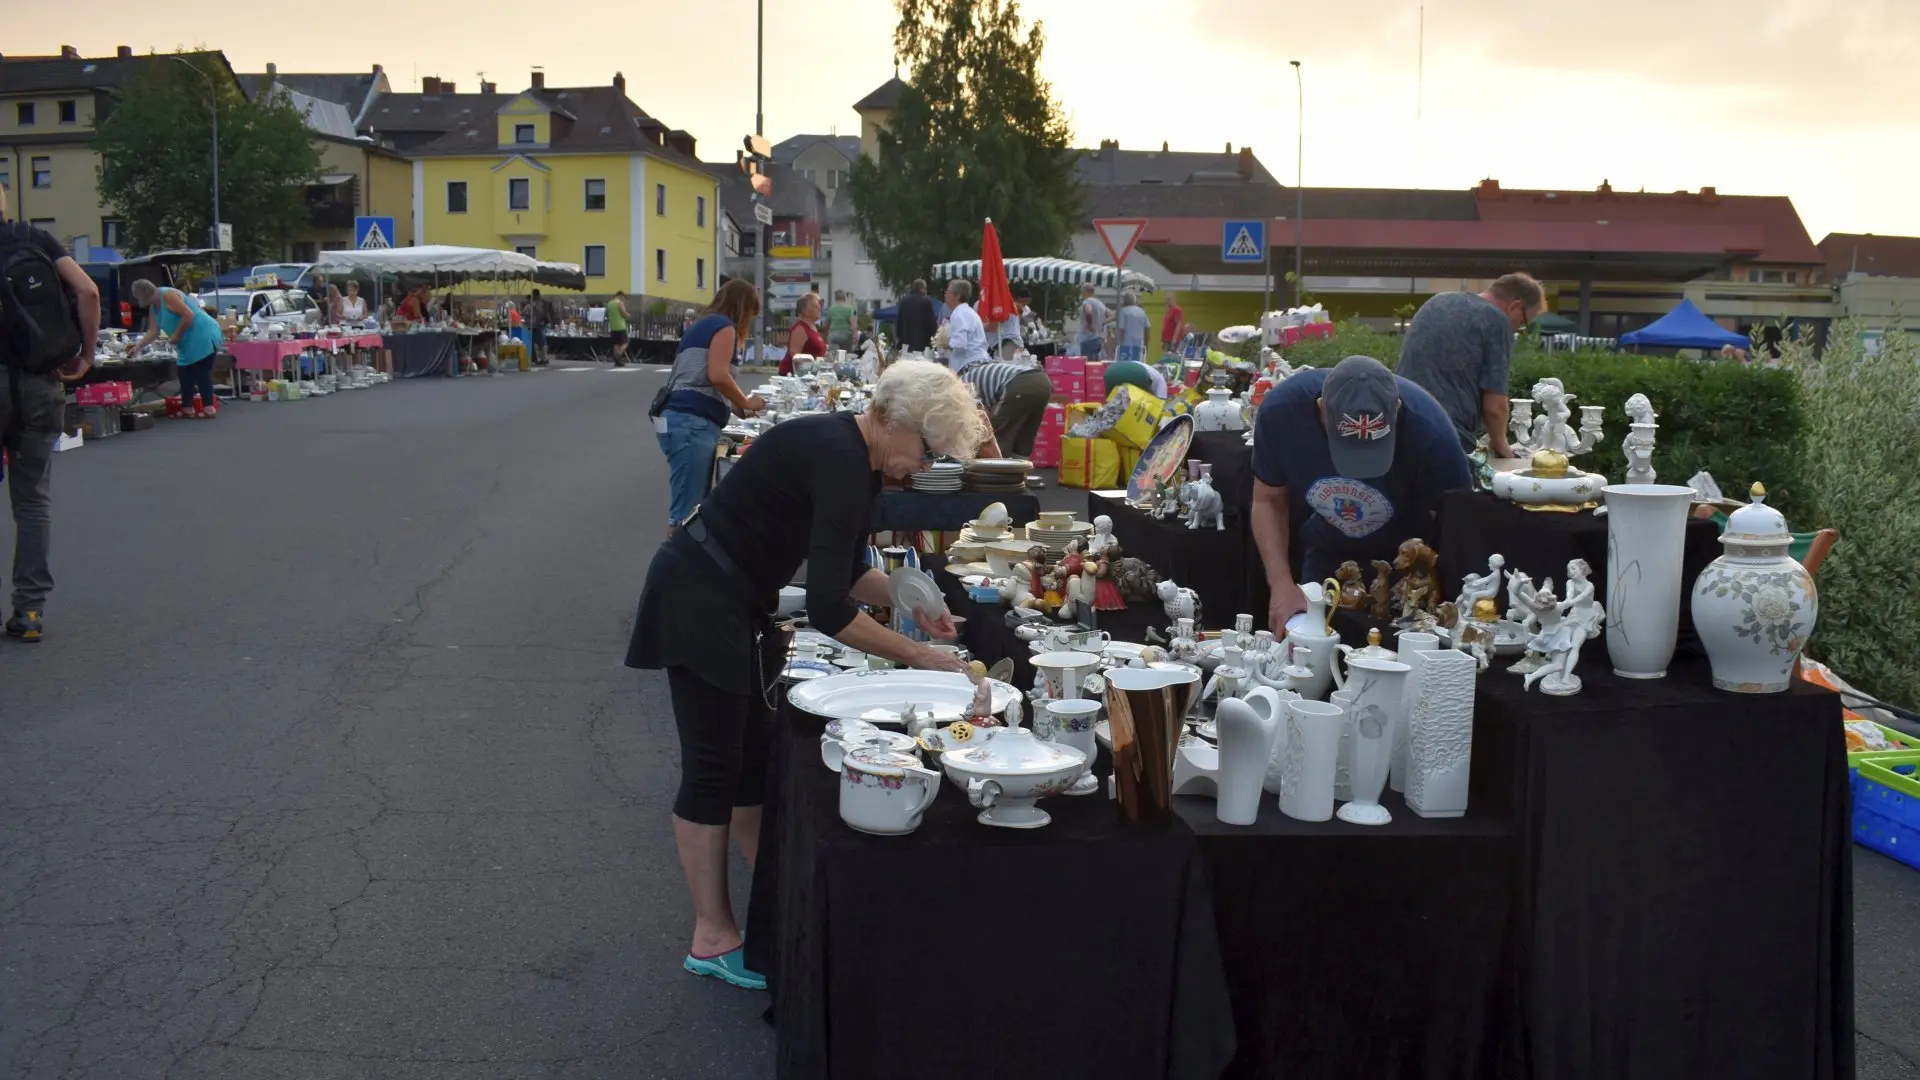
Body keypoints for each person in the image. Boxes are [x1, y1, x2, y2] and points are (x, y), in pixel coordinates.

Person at [627, 359, 982, 991]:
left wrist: (915, 604)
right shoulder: (842, 458)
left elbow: (848, 571)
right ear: (893, 420)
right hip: (699, 598)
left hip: (730, 598)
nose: (924, 467)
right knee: (713, 768)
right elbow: (828, 609)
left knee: (750, 762)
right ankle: (712, 937)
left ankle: (776, 900)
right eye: (926, 450)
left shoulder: (856, 457)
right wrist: (920, 654)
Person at [1250, 355, 1472, 633]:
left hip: (1404, 569)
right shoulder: (1282, 414)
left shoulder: (1432, 433)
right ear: (1321, 409)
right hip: (1328, 552)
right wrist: (1282, 585)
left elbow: (1459, 525)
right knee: (1312, 644)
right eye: (1349, 447)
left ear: (1397, 408)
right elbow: (1268, 500)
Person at [0, 190, 99, 643]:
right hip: (39, 383)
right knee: (32, 500)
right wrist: (86, 355)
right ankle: (29, 610)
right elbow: (88, 291)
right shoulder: (35, 239)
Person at [652, 280, 767, 533]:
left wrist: (736, 407)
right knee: (686, 515)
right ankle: (677, 557)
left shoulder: (703, 325)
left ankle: (686, 554)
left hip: (677, 418)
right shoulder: (724, 327)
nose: (749, 323)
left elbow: (700, 378)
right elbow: (717, 375)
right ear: (742, 309)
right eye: (750, 315)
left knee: (692, 508)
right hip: (692, 422)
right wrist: (745, 401)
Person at [1394, 273, 1545, 457]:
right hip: (1445, 436)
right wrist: (1502, 446)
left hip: (1399, 425)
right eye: (1522, 323)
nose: (1517, 330)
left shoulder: (1438, 301)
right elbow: (1495, 406)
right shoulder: (1496, 320)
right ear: (1515, 306)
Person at [130, 278, 224, 419]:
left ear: (143, 294)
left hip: (202, 334)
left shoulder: (167, 295)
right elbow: (153, 331)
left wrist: (176, 335)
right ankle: (187, 407)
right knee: (184, 372)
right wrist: (138, 346)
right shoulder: (154, 307)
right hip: (186, 341)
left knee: (201, 371)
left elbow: (189, 315)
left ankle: (208, 407)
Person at [962, 357, 1052, 457]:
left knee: (997, 440)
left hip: (1020, 382)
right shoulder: (975, 376)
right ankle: (1022, 463)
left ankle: (999, 465)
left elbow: (981, 415)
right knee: (1024, 439)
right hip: (1042, 381)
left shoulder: (961, 386)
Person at [943, 279, 988, 374]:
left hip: (969, 364)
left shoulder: (959, 313)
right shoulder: (968, 311)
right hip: (978, 361)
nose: (945, 294)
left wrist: (946, 343)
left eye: (948, 292)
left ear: (957, 296)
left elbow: (960, 342)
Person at [782, 292, 828, 376]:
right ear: (805, 310)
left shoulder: (812, 327)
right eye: (816, 306)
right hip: (797, 377)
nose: (820, 308)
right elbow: (795, 358)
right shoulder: (800, 328)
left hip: (811, 375)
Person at [895, 278, 937, 352]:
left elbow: (899, 323)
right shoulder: (926, 302)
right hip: (922, 344)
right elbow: (932, 324)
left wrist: (900, 338)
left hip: (906, 344)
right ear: (922, 288)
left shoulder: (903, 301)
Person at [1115, 289, 1150, 364]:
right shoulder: (1142, 311)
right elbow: (1147, 327)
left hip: (1126, 344)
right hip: (1139, 343)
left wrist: (1119, 342)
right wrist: (1146, 344)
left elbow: (1121, 329)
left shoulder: (1123, 311)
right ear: (1134, 300)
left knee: (1126, 364)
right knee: (1139, 363)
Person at [1077, 284, 1109, 359]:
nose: (1082, 293)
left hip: (1087, 338)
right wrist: (1102, 323)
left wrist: (1090, 325)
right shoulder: (1100, 303)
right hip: (1098, 338)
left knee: (1087, 362)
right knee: (1096, 362)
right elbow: (1112, 315)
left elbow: (1088, 311)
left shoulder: (1087, 301)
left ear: (1086, 291)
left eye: (1082, 291)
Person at [525, 289, 552, 365]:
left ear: (536, 295)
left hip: (537, 325)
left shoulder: (539, 303)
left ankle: (544, 358)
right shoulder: (536, 303)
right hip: (535, 325)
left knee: (541, 342)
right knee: (537, 342)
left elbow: (541, 313)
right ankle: (539, 358)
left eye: (533, 295)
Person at [607, 291, 631, 367]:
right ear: (621, 296)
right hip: (620, 326)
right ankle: (619, 354)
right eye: (623, 298)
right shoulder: (619, 303)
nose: (623, 300)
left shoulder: (609, 303)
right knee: (626, 342)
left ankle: (617, 361)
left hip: (613, 326)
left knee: (616, 344)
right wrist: (628, 315)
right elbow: (623, 314)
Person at [1160, 291, 1186, 356]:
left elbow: (1179, 324)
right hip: (1166, 340)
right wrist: (1163, 340)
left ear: (1173, 299)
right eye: (1166, 299)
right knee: (1166, 357)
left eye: (1169, 299)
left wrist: (1174, 339)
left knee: (1171, 358)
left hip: (1171, 341)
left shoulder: (1177, 310)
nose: (1167, 301)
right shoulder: (1169, 310)